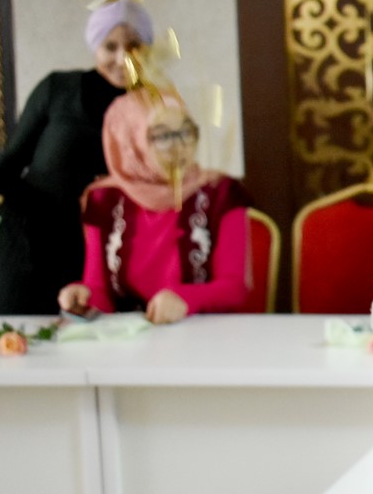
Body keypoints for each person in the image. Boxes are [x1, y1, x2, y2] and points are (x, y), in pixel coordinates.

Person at [0, 0, 151, 313]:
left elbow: (159, 184)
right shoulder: (57, 89)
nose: (122, 58)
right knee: (15, 335)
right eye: (110, 46)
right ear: (95, 46)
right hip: (26, 242)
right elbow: (11, 162)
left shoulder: (154, 108)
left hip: (98, 254)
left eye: (134, 46)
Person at [57, 90, 252, 323]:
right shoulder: (104, 199)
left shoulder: (221, 191)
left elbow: (235, 288)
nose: (180, 147)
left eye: (186, 132)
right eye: (162, 136)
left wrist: (185, 299)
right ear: (130, 142)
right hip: (131, 338)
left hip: (204, 333)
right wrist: (84, 297)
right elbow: (100, 292)